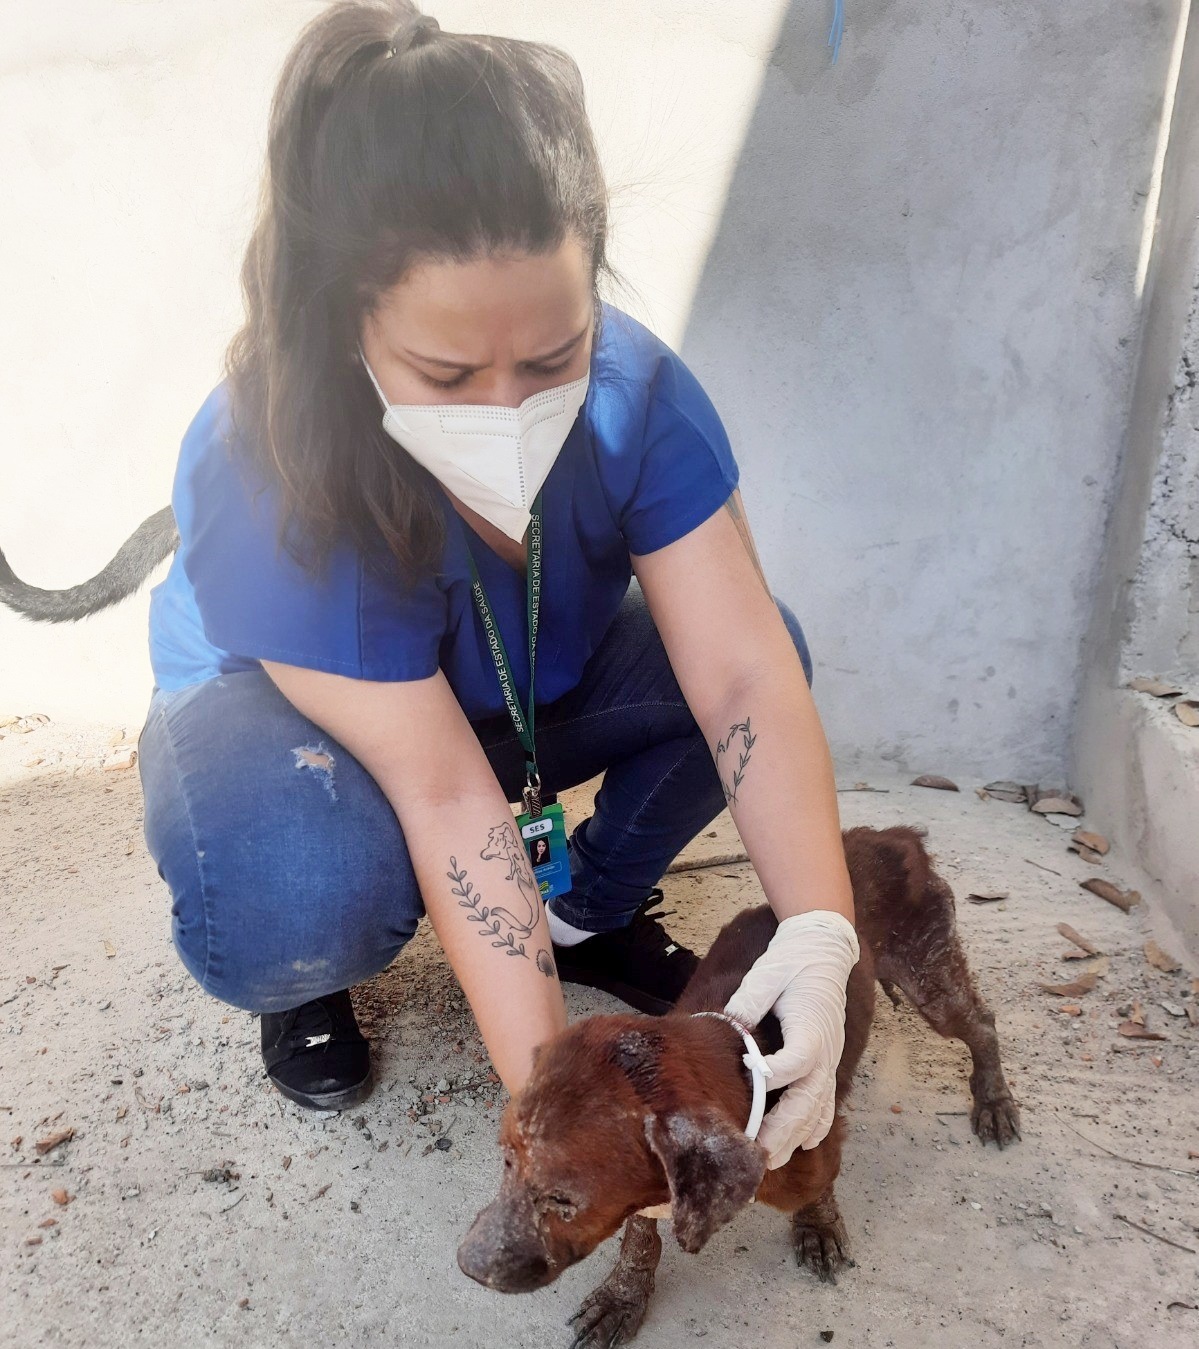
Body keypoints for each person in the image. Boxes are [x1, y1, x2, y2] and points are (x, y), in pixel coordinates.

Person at [137, 0, 859, 1171]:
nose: (506, 409)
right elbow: (442, 791)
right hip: (283, 715)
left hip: (500, 686)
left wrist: (822, 938)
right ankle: (311, 975)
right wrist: (553, 1109)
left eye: (552, 355)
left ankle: (589, 910)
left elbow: (737, 669)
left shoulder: (637, 390)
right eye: (444, 368)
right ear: (344, 319)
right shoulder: (264, 454)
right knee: (296, 882)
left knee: (767, 644)